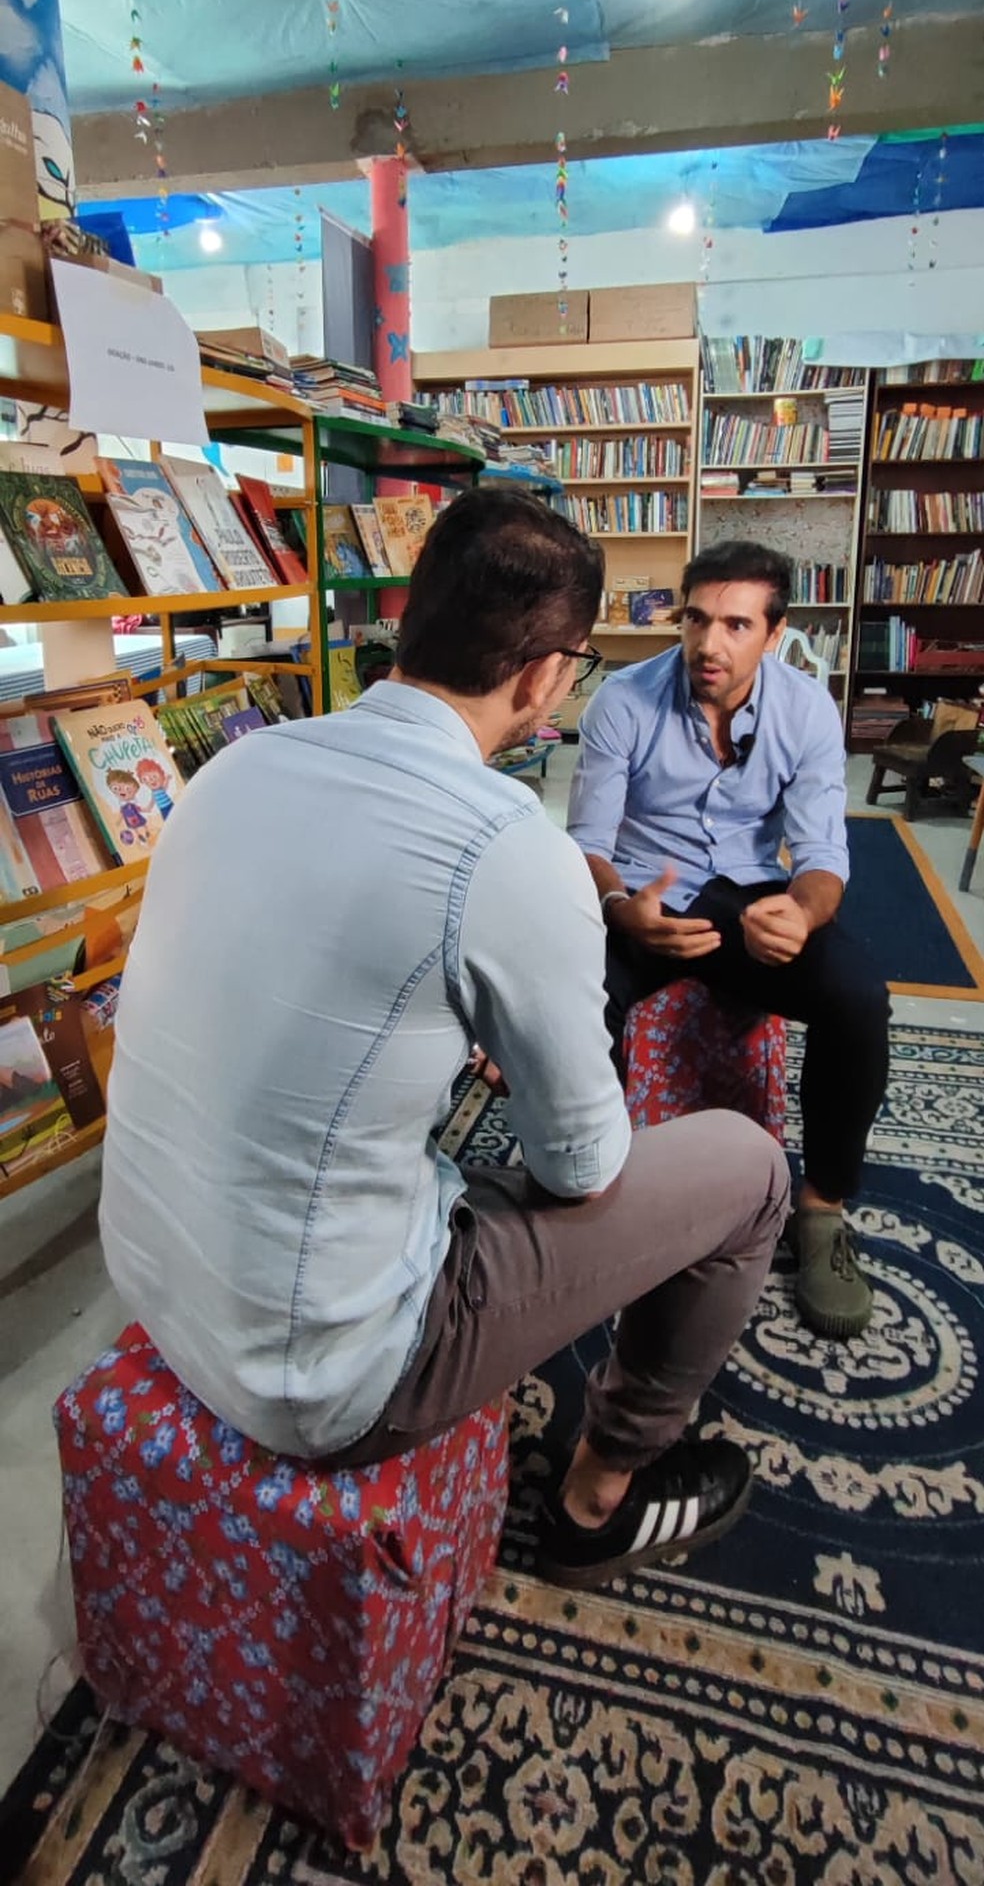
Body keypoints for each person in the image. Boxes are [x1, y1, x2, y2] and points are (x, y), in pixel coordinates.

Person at [100, 490, 788, 1589]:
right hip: (319, 1375)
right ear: (547, 676)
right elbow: (582, 1166)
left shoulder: (235, 767)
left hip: (149, 1271)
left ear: (412, 618)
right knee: (750, 1172)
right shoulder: (511, 847)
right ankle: (603, 1497)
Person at [567, 537, 890, 1342]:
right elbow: (588, 844)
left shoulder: (807, 709)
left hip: (749, 894)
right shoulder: (621, 701)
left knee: (859, 998)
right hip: (645, 894)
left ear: (774, 634)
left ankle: (821, 1211)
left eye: (737, 625)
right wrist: (618, 908)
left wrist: (803, 914)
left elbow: (822, 854)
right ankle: (593, 1195)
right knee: (573, 1002)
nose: (710, 643)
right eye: (698, 619)